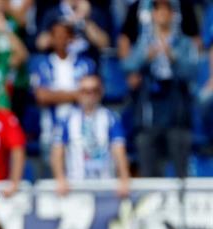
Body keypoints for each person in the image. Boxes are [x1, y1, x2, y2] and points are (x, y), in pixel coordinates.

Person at [121, 0, 197, 178]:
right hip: (151, 110)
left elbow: (191, 72)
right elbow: (127, 65)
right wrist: (146, 56)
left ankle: (181, 201)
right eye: (158, 10)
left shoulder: (183, 42)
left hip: (176, 108)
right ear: (153, 14)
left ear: (172, 14)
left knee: (180, 163)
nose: (162, 14)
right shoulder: (144, 42)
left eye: (166, 10)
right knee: (146, 147)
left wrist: (173, 56)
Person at [50, 74, 130, 197]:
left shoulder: (111, 118)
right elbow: (57, 151)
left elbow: (118, 150)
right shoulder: (66, 119)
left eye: (94, 91)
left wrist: (124, 178)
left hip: (105, 186)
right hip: (76, 186)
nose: (90, 95)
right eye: (85, 91)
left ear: (100, 92)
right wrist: (60, 179)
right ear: (78, 93)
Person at [31, 18, 96, 156]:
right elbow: (41, 96)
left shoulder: (85, 64)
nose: (61, 39)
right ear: (51, 38)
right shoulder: (42, 64)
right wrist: (74, 94)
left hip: (80, 132)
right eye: (57, 35)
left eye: (64, 35)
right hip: (50, 131)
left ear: (71, 38)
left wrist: (54, 95)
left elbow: (91, 94)